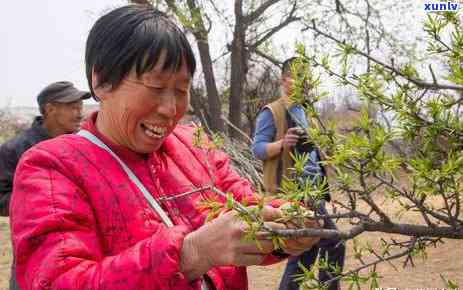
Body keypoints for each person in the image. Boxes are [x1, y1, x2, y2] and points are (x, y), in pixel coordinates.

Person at [9, 5, 320, 290]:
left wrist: (286, 224)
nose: (171, 109)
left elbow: (243, 204)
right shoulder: (51, 168)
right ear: (102, 81)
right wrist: (191, 254)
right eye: (156, 88)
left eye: (182, 90)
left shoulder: (194, 145)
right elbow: (57, 281)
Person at [252, 57, 346, 290]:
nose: (304, 82)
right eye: (298, 76)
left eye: (307, 76)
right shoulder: (272, 112)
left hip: (312, 192)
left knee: (307, 248)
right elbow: (257, 148)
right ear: (285, 80)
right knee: (331, 242)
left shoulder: (304, 111)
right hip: (293, 192)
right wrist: (282, 143)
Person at [0, 81, 90, 290]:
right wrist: (42, 202)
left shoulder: (83, 145)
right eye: (73, 107)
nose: (80, 114)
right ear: (50, 109)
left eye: (80, 107)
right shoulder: (15, 150)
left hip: (82, 248)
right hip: (36, 249)